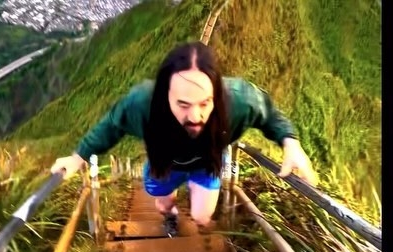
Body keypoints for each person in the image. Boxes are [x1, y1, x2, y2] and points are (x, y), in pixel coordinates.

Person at [51, 41, 318, 237]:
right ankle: (171, 215)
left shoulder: (238, 101)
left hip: (207, 161)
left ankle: (195, 193)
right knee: (163, 203)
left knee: (203, 217)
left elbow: (268, 113)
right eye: (183, 104)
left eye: (205, 103)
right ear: (165, 94)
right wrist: (77, 158)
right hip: (165, 162)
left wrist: (290, 141)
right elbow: (110, 125)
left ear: (216, 94)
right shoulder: (142, 105)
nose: (196, 115)